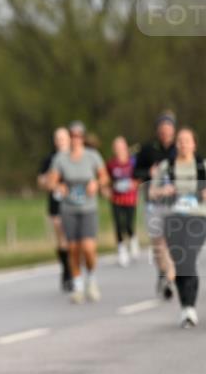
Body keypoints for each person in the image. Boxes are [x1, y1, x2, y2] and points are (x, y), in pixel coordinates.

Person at [47, 121, 110, 304]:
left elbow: (105, 177)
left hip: (88, 208)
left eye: (78, 136)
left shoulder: (92, 156)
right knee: (73, 248)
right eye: (72, 136)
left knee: (89, 248)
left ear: (83, 137)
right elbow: (51, 182)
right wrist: (59, 186)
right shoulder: (61, 159)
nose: (75, 140)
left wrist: (96, 184)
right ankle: (78, 285)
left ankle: (91, 277)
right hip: (69, 209)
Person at [149, 127, 206, 328]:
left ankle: (190, 306)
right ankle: (185, 308)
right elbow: (152, 192)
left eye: (187, 140)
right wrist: (163, 190)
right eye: (180, 141)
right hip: (173, 217)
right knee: (180, 261)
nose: (183, 144)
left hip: (198, 217)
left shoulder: (202, 166)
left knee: (189, 256)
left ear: (194, 144)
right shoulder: (167, 166)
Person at [136, 111, 179, 299]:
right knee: (158, 244)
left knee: (173, 243)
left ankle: (169, 278)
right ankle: (164, 273)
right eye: (162, 129)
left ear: (174, 130)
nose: (165, 133)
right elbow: (135, 172)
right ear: (157, 131)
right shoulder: (147, 150)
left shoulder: (180, 149)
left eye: (168, 129)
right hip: (153, 203)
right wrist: (148, 172)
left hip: (176, 202)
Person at [38, 127, 72, 291]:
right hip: (56, 202)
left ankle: (75, 269)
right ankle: (66, 270)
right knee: (61, 238)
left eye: (63, 138)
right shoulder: (49, 159)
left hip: (74, 202)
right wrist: (53, 184)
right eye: (58, 138)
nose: (60, 141)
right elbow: (41, 180)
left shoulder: (75, 156)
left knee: (73, 238)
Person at [107, 135, 139, 267]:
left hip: (130, 198)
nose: (119, 149)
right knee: (118, 224)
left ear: (126, 147)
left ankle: (132, 238)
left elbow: (139, 177)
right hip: (116, 198)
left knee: (129, 224)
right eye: (117, 147)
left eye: (121, 146)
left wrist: (134, 183)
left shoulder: (132, 162)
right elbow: (105, 179)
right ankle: (121, 249)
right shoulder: (111, 164)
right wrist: (107, 189)